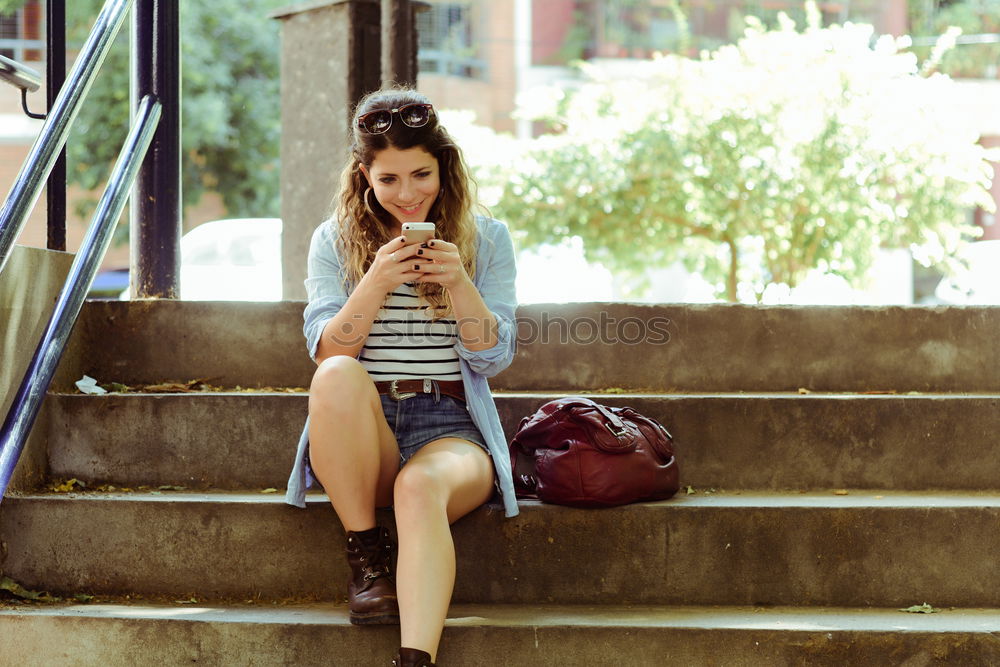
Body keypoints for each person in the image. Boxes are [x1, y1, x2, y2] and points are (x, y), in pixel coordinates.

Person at [285, 87, 520, 667]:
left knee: (419, 489)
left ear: (445, 168)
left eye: (422, 174)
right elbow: (325, 351)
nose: (409, 194)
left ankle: (415, 661)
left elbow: (493, 358)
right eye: (389, 180)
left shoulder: (488, 240)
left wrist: (460, 282)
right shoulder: (334, 242)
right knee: (338, 372)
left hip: (450, 426)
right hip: (366, 430)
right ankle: (366, 553)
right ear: (365, 176)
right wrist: (376, 281)